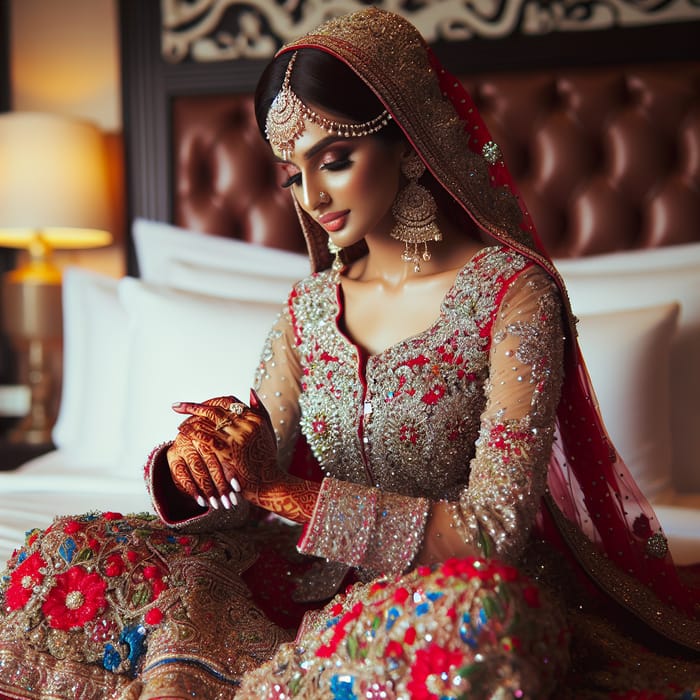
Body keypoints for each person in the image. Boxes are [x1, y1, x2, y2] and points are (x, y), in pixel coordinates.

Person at [1, 8, 698, 699]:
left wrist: (283, 492)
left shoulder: (512, 297)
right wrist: (201, 463)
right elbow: (249, 490)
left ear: (407, 142)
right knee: (66, 553)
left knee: (479, 623)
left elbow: (492, 534)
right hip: (303, 584)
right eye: (292, 174)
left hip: (445, 596)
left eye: (335, 159)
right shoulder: (309, 310)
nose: (313, 196)